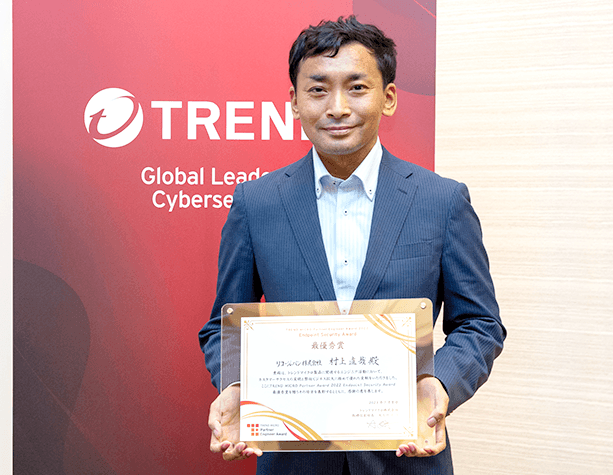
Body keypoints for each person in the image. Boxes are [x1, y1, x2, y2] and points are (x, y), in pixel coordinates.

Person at [199, 16, 505, 475]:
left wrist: (438, 385)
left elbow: (480, 324)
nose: (337, 107)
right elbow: (223, 326)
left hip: (406, 458)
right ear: (294, 102)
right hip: (293, 461)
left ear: (389, 97)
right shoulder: (256, 203)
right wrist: (237, 384)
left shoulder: (441, 201)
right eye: (318, 90)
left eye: (357, 88)